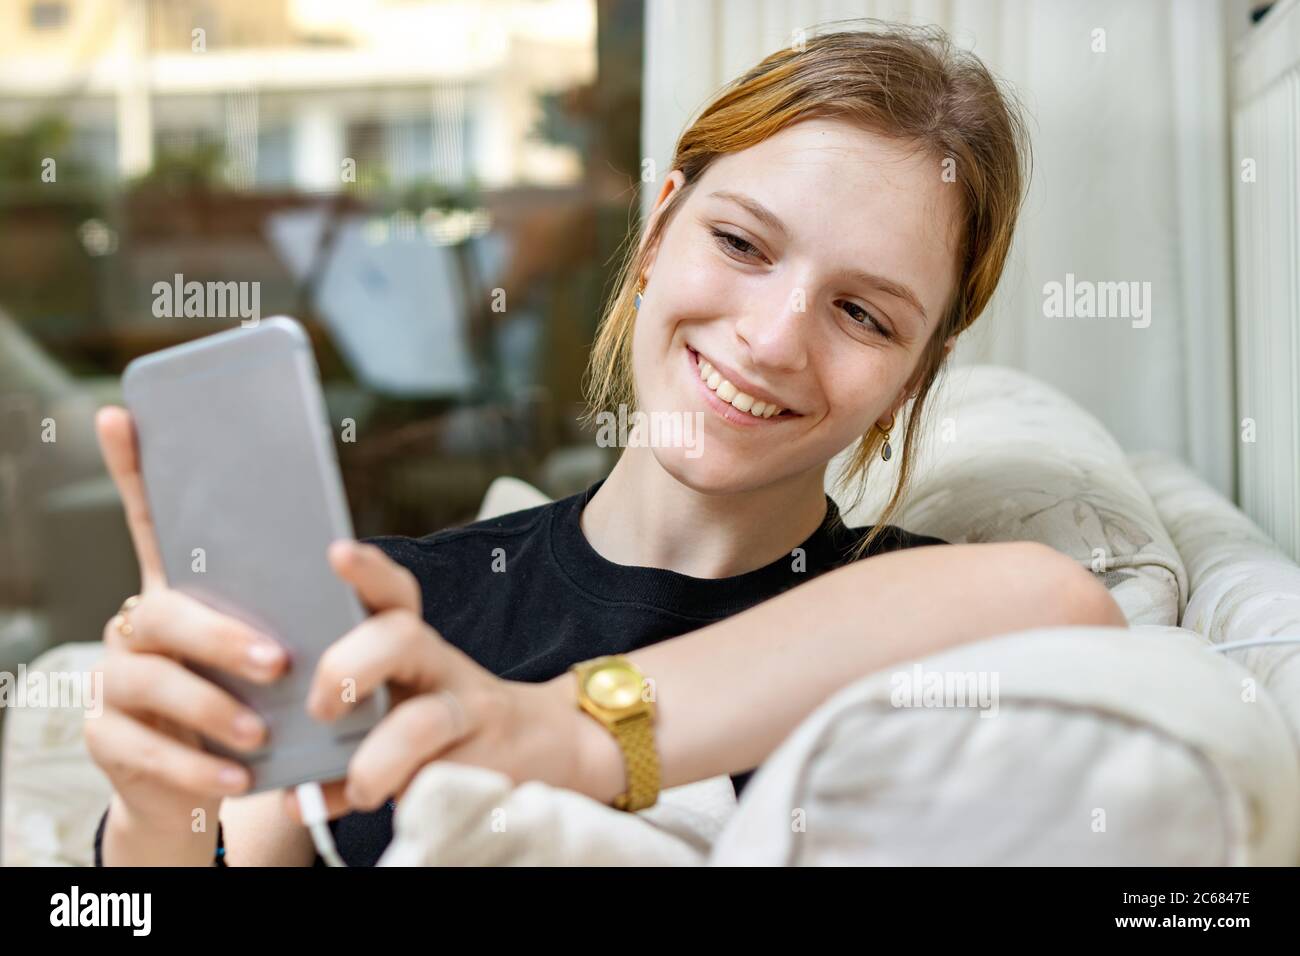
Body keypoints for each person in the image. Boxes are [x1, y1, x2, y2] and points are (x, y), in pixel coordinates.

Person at [89, 24, 1125, 867]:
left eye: (862, 313)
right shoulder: (400, 611)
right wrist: (157, 819)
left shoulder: (932, 625)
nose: (769, 341)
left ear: (915, 375)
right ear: (654, 234)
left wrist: (560, 730)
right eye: (740, 243)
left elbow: (1064, 601)